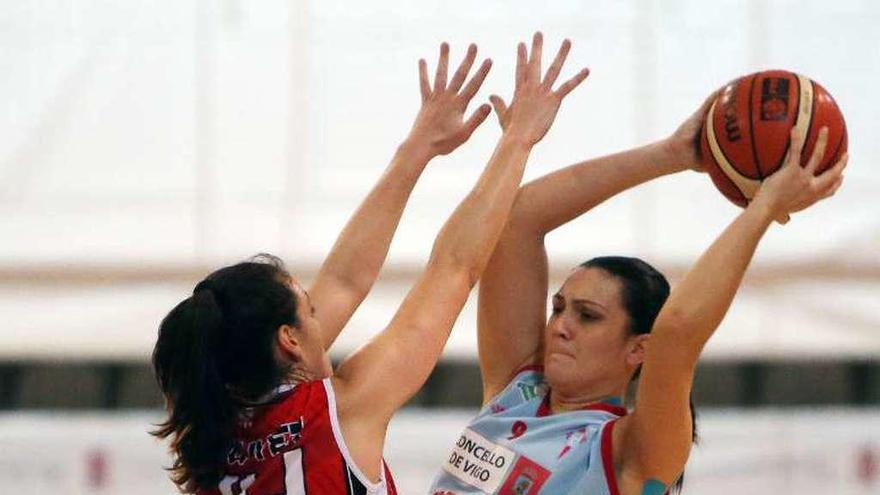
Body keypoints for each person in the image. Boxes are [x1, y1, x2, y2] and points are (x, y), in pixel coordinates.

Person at [152, 33, 590, 495]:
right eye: (311, 311)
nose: (323, 313)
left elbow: (344, 280)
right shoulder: (340, 413)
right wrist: (518, 140)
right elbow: (453, 268)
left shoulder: (206, 433)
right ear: (290, 341)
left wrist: (419, 148)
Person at [429, 89, 847, 494]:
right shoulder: (517, 389)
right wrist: (673, 154)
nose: (560, 326)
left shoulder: (628, 453)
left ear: (638, 349)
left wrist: (763, 208)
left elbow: (679, 330)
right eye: (558, 309)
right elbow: (518, 219)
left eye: (587, 315)